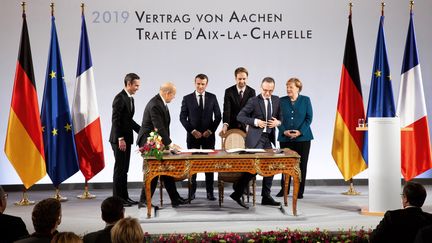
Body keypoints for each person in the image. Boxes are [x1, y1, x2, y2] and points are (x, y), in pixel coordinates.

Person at [233, 77, 282, 209]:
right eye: (265, 90)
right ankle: (237, 192)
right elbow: (240, 116)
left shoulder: (277, 100)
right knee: (254, 167)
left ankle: (266, 196)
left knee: (271, 166)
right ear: (261, 88)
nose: (267, 93)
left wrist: (278, 123)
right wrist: (255, 122)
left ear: (273, 89)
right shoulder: (253, 101)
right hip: (255, 139)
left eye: (270, 91)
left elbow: (280, 118)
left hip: (268, 138)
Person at [136, 82, 187, 208]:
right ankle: (143, 201)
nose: (173, 98)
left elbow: (163, 128)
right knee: (153, 171)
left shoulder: (160, 102)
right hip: (148, 141)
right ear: (167, 93)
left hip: (156, 140)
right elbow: (159, 127)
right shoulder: (155, 104)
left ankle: (175, 198)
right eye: (173, 95)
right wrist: (171, 144)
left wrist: (169, 144)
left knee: (165, 168)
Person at [180, 74, 221, 201]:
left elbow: (218, 116)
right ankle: (192, 192)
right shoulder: (187, 98)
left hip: (208, 137)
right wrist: (192, 131)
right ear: (195, 83)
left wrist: (210, 130)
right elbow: (182, 117)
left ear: (206, 84)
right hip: (193, 137)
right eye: (198, 83)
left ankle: (210, 192)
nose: (200, 86)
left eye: (203, 84)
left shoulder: (212, 97)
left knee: (209, 166)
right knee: (193, 165)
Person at [277, 77, 313, 199]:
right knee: (285, 165)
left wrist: (300, 132)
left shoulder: (306, 100)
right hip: (285, 138)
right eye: (287, 87)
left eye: (291, 87)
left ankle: (299, 191)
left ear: (298, 88)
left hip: (303, 138)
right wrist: (284, 131)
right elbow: (277, 119)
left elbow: (309, 118)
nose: (288, 89)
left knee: (301, 165)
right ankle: (284, 189)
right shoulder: (281, 101)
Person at [109, 73, 141, 207]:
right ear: (128, 84)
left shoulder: (130, 98)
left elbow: (129, 120)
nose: (137, 88)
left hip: (126, 139)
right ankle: (118, 200)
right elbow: (115, 120)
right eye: (136, 85)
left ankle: (125, 197)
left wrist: (143, 131)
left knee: (124, 170)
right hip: (119, 140)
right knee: (119, 169)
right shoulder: (119, 98)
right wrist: (120, 138)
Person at [222, 67, 256, 134]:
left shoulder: (252, 91)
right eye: (239, 79)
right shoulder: (229, 91)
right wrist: (225, 124)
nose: (242, 81)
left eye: (244, 79)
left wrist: (250, 125)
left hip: (246, 126)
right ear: (235, 78)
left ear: (247, 78)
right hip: (232, 126)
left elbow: (252, 110)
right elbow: (227, 110)